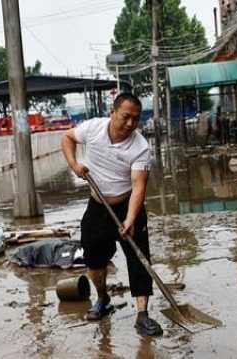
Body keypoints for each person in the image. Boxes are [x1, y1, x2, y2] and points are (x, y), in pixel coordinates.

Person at [61, 93, 163, 337]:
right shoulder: (93, 128)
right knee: (94, 259)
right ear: (113, 112)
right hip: (97, 206)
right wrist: (75, 165)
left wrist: (129, 219)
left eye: (135, 119)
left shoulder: (140, 147)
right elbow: (66, 137)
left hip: (128, 204)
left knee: (139, 259)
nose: (130, 124)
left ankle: (142, 315)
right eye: (126, 117)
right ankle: (103, 299)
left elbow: (139, 186)